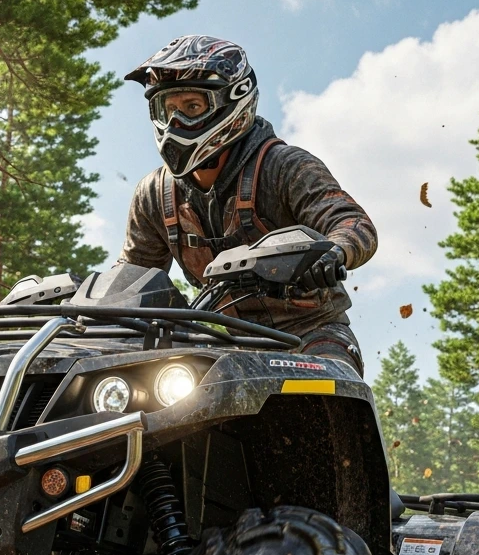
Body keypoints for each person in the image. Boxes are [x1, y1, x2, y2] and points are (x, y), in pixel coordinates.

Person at [120, 34, 376, 374]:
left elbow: (353, 224)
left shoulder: (284, 166)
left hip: (312, 335)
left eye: (192, 107)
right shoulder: (154, 194)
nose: (175, 124)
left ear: (233, 103)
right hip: (226, 344)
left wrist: (334, 251)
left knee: (325, 400)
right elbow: (132, 279)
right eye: (167, 110)